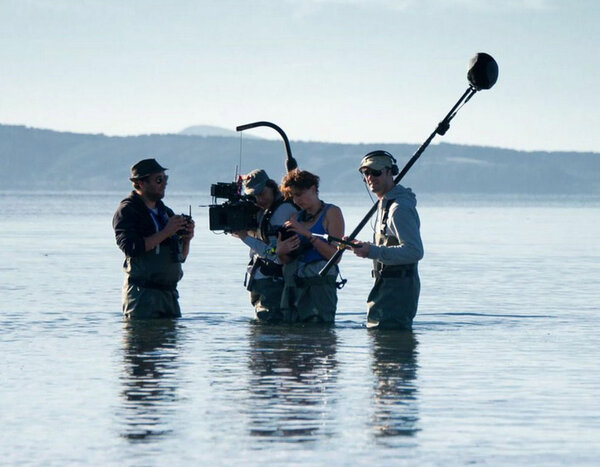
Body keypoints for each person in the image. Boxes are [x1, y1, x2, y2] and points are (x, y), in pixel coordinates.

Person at [112, 158, 194, 319]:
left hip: (169, 295)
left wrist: (187, 240)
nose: (164, 183)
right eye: (158, 179)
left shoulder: (166, 213)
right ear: (141, 183)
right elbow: (131, 248)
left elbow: (180, 257)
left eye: (165, 179)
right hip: (142, 295)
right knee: (142, 342)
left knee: (171, 343)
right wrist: (166, 231)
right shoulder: (127, 211)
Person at [350, 150, 423, 330]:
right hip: (384, 288)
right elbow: (389, 244)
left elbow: (414, 251)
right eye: (366, 173)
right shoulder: (385, 204)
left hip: (397, 292)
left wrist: (372, 251)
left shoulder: (399, 209)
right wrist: (360, 246)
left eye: (376, 172)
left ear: (390, 172)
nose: (370, 177)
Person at [276, 169, 345, 324]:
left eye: (299, 194)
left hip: (319, 286)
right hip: (296, 285)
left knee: (321, 333)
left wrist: (308, 235)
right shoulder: (296, 217)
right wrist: (281, 251)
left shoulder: (332, 212)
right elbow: (288, 259)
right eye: (292, 196)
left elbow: (335, 257)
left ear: (313, 189)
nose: (296, 200)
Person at [233, 169, 298, 323]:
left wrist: (244, 237)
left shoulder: (282, 211)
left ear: (272, 186)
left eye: (261, 193)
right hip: (260, 279)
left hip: (273, 282)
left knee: (267, 330)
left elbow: (273, 252)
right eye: (253, 196)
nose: (259, 199)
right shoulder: (265, 210)